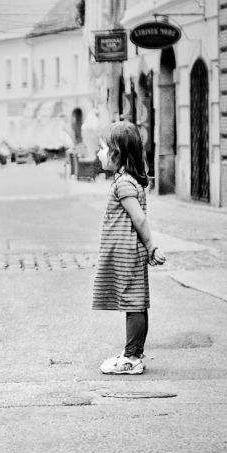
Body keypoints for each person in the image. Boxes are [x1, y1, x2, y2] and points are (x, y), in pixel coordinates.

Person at [93, 121, 165, 375]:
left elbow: (139, 219)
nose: (98, 153)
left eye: (102, 148)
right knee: (136, 302)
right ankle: (134, 352)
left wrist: (151, 247)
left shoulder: (123, 183)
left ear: (117, 153)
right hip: (129, 252)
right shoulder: (126, 180)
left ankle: (132, 357)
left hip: (128, 254)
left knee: (133, 303)